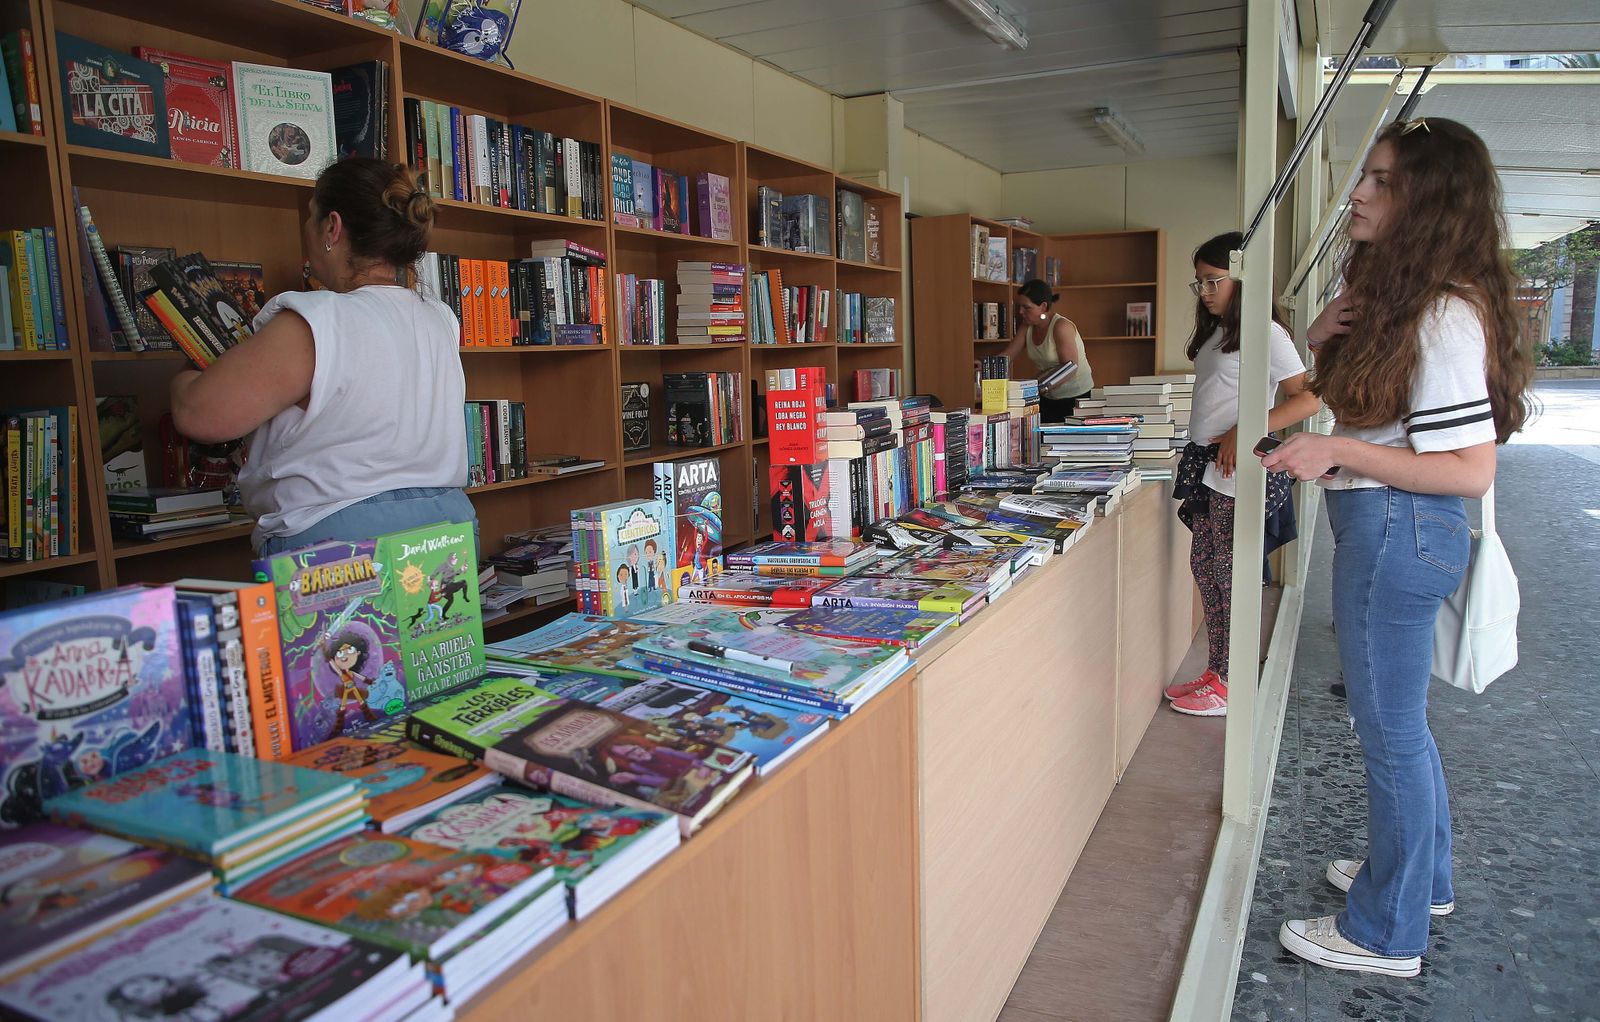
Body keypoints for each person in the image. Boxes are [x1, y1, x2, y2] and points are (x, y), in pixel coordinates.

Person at [1261, 117, 1531, 977]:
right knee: (1399, 727)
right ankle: (1421, 878)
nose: (1358, 194)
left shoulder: (1444, 313)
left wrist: (1335, 450)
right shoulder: (1413, 301)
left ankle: (1387, 931)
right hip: (1392, 528)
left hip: (1397, 529)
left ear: (1429, 200)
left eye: (1381, 181)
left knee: (1389, 735)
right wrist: (1321, 337)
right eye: (1365, 176)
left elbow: (1469, 470)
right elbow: (1376, 408)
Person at [169, 158, 472, 556]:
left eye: (311, 216)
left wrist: (188, 371)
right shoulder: (439, 317)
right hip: (446, 532)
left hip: (343, 545)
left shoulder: (316, 319)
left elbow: (200, 415)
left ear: (332, 227)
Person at [1165, 232, 1320, 717]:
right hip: (1208, 463)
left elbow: (1308, 397)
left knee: (1232, 575)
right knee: (1206, 568)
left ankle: (1233, 683)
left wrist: (1246, 428)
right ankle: (1219, 669)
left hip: (1238, 469)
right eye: (1199, 282)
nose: (1205, 291)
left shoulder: (1266, 333)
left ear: (1244, 278)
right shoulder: (1219, 331)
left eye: (1214, 280)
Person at [1001, 279, 1094, 422]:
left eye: (1026, 307)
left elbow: (1070, 367)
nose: (1020, 312)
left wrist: (1038, 387)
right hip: (1047, 394)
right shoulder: (1027, 327)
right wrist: (985, 365)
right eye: (1020, 307)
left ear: (1043, 307)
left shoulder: (1061, 326)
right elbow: (1008, 355)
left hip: (1076, 397)